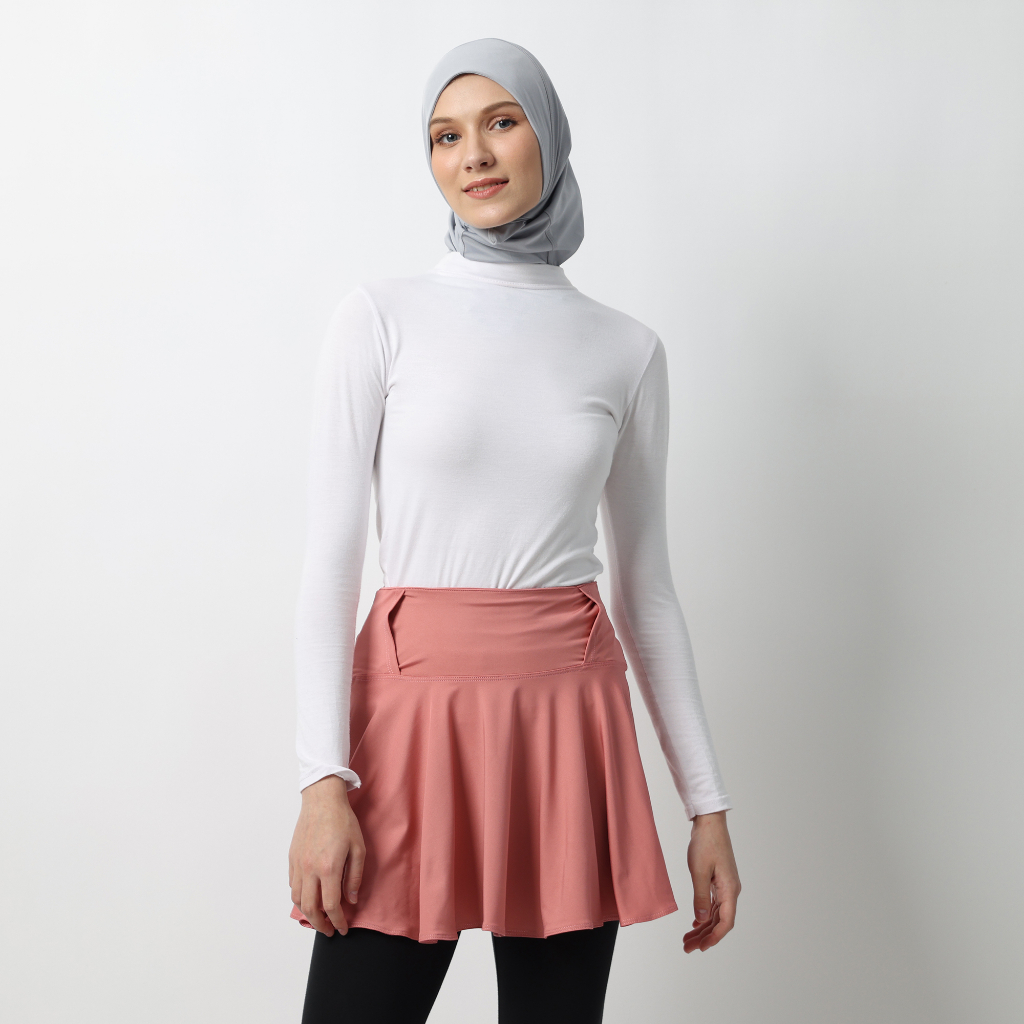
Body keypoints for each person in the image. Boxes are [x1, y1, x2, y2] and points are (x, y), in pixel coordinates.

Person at [288, 37, 741, 1024]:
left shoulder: (626, 348)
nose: (475, 156)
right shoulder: (379, 317)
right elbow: (329, 564)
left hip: (568, 727)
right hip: (407, 725)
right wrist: (323, 780)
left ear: (549, 134)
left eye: (501, 122)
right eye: (445, 136)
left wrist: (706, 805)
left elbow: (647, 590)